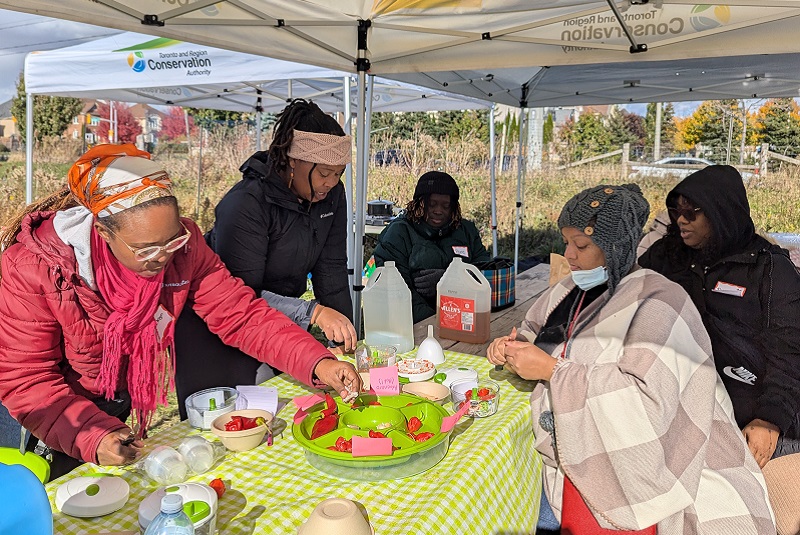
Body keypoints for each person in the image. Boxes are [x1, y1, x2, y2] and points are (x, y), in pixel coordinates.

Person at [0, 144, 360, 479]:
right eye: (146, 248)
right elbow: (28, 380)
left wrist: (317, 362)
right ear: (103, 231)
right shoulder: (34, 268)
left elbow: (242, 315)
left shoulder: (184, 249)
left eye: (171, 240)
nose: (162, 257)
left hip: (118, 404)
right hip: (61, 416)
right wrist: (88, 434)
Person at [487, 184, 774, 533]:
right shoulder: (569, 290)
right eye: (566, 242)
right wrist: (510, 347)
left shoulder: (661, 301)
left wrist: (552, 370)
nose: (569, 256)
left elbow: (645, 401)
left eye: (582, 245)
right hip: (566, 454)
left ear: (617, 248)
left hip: (643, 466)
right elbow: (533, 332)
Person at [639, 164, 800, 534]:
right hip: (683, 398)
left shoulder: (770, 270)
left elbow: (790, 353)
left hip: (753, 408)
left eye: (691, 212)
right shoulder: (672, 257)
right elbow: (630, 289)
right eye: (676, 210)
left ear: (722, 212)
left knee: (761, 511)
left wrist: (770, 419)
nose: (681, 220)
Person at [174, 99, 356, 418]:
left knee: (278, 413)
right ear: (293, 161)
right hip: (214, 330)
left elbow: (332, 269)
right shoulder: (245, 205)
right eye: (324, 172)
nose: (331, 182)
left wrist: (344, 337)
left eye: (338, 174)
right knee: (226, 421)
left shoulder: (331, 196)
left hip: (277, 323)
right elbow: (240, 298)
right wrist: (313, 312)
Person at [372, 171, 490, 323]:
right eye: (432, 204)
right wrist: (435, 322)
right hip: (415, 323)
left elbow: (485, 274)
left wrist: (448, 281)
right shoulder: (399, 233)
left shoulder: (466, 230)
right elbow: (396, 291)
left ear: (454, 207)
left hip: (465, 317)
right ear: (419, 204)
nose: (438, 211)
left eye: (445, 206)